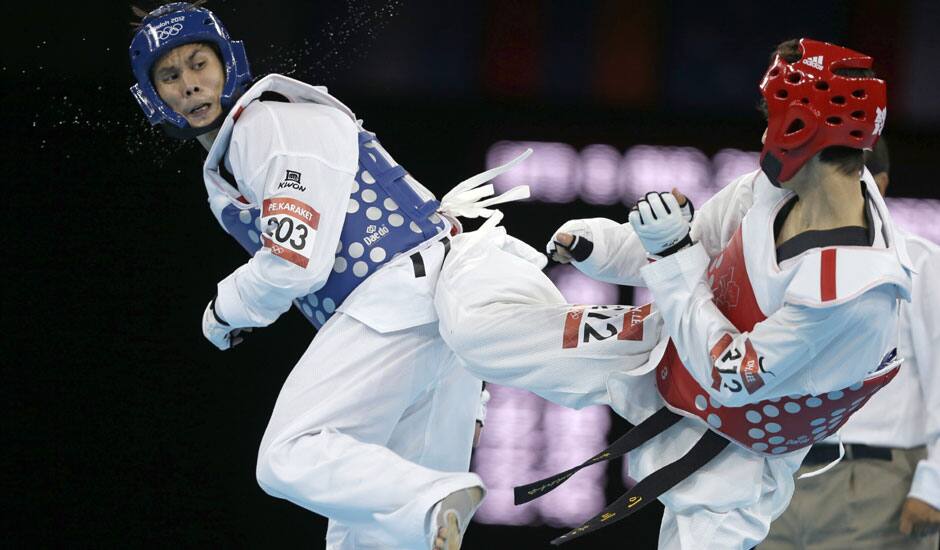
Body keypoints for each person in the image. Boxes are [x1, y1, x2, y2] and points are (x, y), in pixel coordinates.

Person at [433, 38, 912, 549]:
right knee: (478, 331)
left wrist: (674, 254)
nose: (763, 127)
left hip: (740, 450)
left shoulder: (851, 290)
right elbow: (690, 242)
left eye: (771, 112)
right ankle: (452, 243)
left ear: (799, 126)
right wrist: (602, 246)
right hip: (669, 345)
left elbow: (731, 373)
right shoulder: (775, 188)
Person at [127, 3, 528, 548]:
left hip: (390, 304)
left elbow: (296, 260)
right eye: (171, 76)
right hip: (434, 319)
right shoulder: (255, 137)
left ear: (228, 64)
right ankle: (430, 500)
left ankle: (431, 493)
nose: (191, 86)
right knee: (364, 539)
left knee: (288, 455)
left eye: (200, 65)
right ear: (152, 95)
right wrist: (472, 395)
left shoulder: (265, 124)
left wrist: (225, 309)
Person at [762, 138, 940, 548]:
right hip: (777, 479)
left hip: (876, 485)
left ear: (881, 183)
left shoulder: (919, 262)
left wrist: (933, 485)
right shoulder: (775, 261)